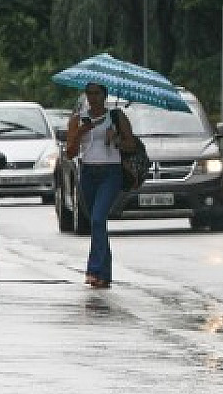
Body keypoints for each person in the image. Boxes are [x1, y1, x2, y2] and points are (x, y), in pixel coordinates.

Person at [64, 82, 136, 289]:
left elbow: (131, 144)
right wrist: (80, 133)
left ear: (104, 95)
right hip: (88, 173)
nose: (92, 97)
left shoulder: (116, 117)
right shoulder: (78, 120)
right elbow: (70, 153)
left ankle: (94, 270)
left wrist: (117, 140)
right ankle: (104, 273)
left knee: (97, 219)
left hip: (110, 173)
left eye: (97, 93)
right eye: (89, 93)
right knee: (97, 223)